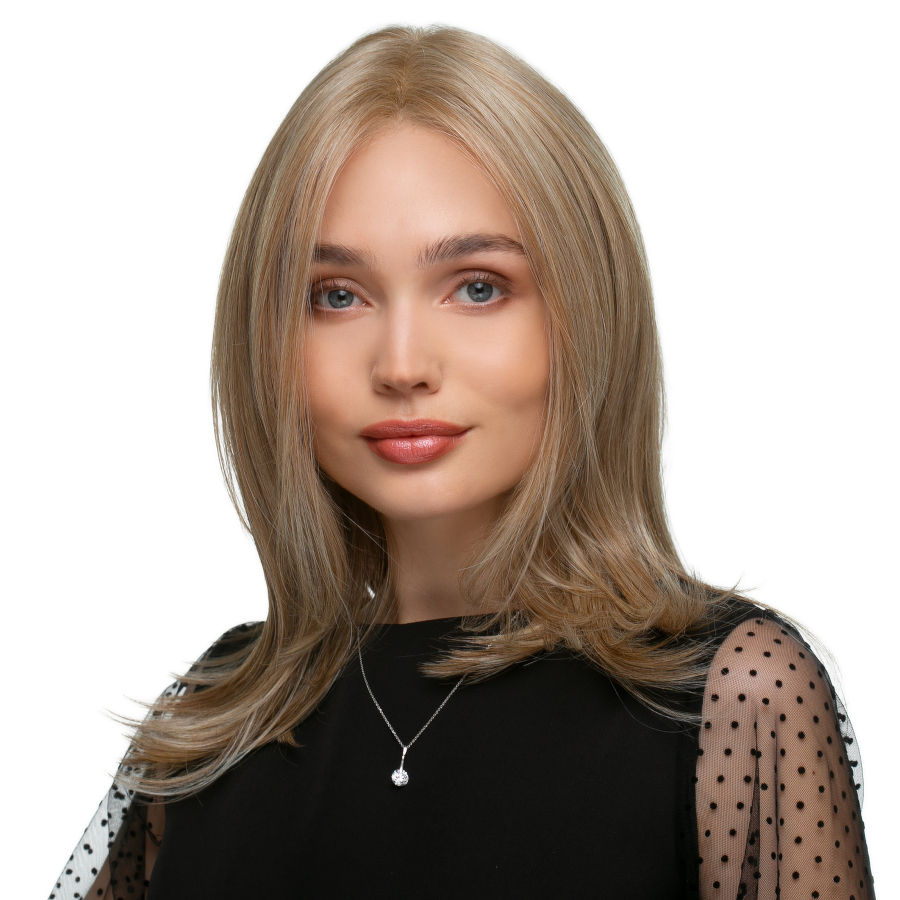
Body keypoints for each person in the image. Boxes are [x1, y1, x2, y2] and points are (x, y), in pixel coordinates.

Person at [50, 25, 874, 900]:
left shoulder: (732, 697)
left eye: (477, 287)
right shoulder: (214, 719)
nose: (402, 364)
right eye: (337, 296)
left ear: (587, 313)